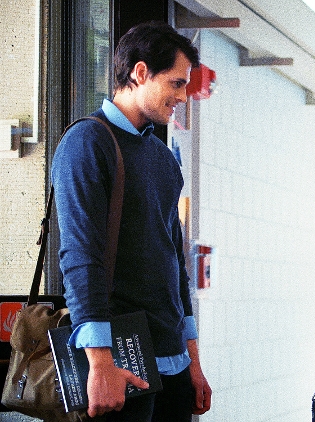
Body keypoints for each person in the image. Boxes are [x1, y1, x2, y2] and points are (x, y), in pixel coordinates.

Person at [51, 21, 211, 421]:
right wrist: (100, 362)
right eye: (176, 84)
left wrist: (192, 360)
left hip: (172, 365)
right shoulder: (87, 142)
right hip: (120, 363)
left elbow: (174, 264)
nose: (182, 97)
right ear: (140, 73)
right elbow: (80, 257)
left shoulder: (162, 158)